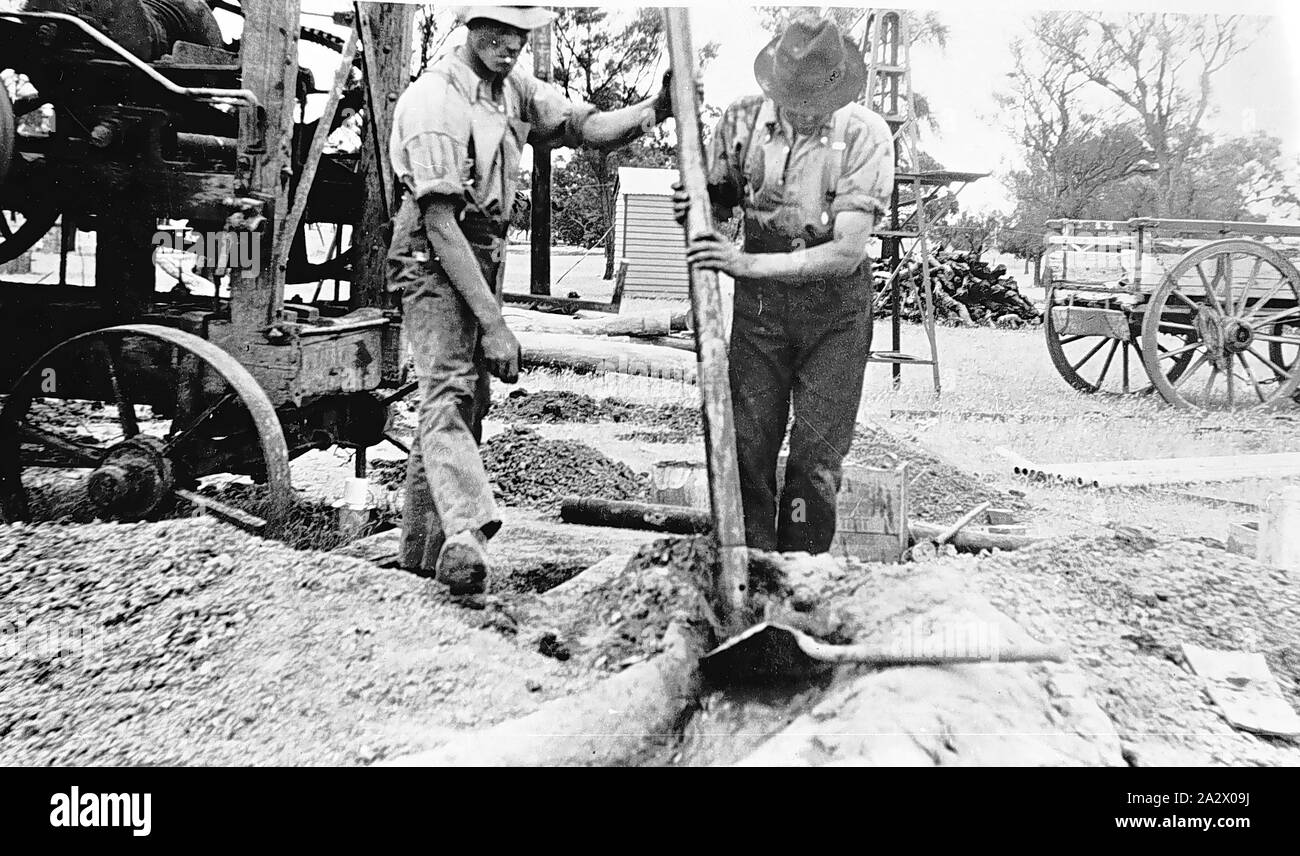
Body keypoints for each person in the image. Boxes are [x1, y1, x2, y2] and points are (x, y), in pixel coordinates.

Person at [389, 6, 676, 595]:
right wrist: (495, 325)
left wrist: (656, 110)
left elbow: (584, 126)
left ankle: (423, 554)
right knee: (447, 389)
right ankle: (467, 533)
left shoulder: (513, 87)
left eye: (520, 33)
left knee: (468, 402)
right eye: (497, 31)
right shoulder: (432, 103)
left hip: (483, 249)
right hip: (433, 251)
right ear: (470, 27)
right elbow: (440, 224)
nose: (510, 44)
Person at [673, 14, 895, 554]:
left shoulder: (865, 134)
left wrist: (743, 266)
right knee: (747, 447)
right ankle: (750, 564)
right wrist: (695, 206)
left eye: (815, 101)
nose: (803, 111)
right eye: (792, 97)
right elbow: (717, 201)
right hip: (762, 311)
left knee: (813, 461)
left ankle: (799, 570)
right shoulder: (743, 122)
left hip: (833, 313)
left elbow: (845, 253)